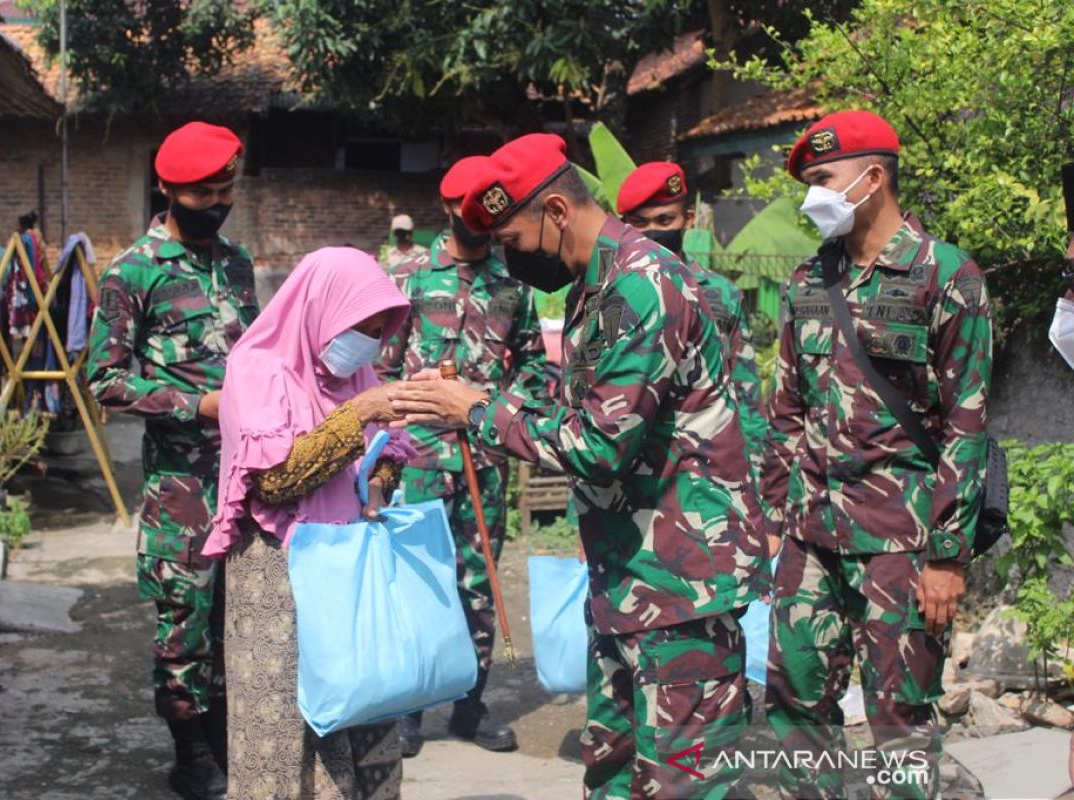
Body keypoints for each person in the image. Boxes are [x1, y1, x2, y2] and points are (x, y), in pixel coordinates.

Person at [388, 133, 768, 799]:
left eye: (514, 237)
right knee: (614, 774)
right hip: (627, 577)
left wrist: (475, 408)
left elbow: (597, 444)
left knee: (685, 781)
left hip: (681, 588)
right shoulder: (597, 288)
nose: (510, 256)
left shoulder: (643, 288)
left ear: (557, 212)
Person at [760, 110, 992, 799]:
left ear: (873, 176)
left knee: (899, 718)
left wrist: (949, 557)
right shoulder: (807, 282)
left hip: (904, 541)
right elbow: (787, 410)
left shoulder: (945, 275)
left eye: (823, 179)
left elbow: (967, 425)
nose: (812, 197)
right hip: (811, 535)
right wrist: (780, 514)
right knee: (795, 702)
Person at [202, 246, 413, 800]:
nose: (366, 339)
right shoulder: (256, 371)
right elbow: (274, 481)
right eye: (358, 324)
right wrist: (360, 413)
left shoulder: (360, 372)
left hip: (349, 573)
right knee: (284, 737)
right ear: (320, 308)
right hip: (279, 578)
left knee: (364, 718)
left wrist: (378, 484)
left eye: (376, 328)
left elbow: (387, 454)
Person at [85, 121, 256, 800]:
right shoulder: (133, 272)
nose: (214, 202)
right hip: (179, 484)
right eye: (200, 192)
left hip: (245, 477)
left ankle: (220, 739)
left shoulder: (237, 264)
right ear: (165, 189)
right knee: (182, 620)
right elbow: (104, 379)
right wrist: (195, 405)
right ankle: (189, 754)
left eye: (224, 189)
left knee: (232, 619)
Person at [375, 155, 550, 757]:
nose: (478, 221)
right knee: (416, 582)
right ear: (449, 209)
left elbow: (534, 365)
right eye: (467, 211)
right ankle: (407, 709)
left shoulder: (514, 284)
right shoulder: (409, 276)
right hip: (418, 459)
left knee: (477, 583)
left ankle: (470, 707)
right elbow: (382, 370)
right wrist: (385, 454)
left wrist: (501, 406)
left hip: (484, 456)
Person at [617, 162, 767, 462]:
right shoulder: (610, 296)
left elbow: (745, 388)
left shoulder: (721, 295)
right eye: (640, 223)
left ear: (687, 219)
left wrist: (758, 466)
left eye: (664, 220)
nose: (653, 232)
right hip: (632, 471)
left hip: (706, 469)